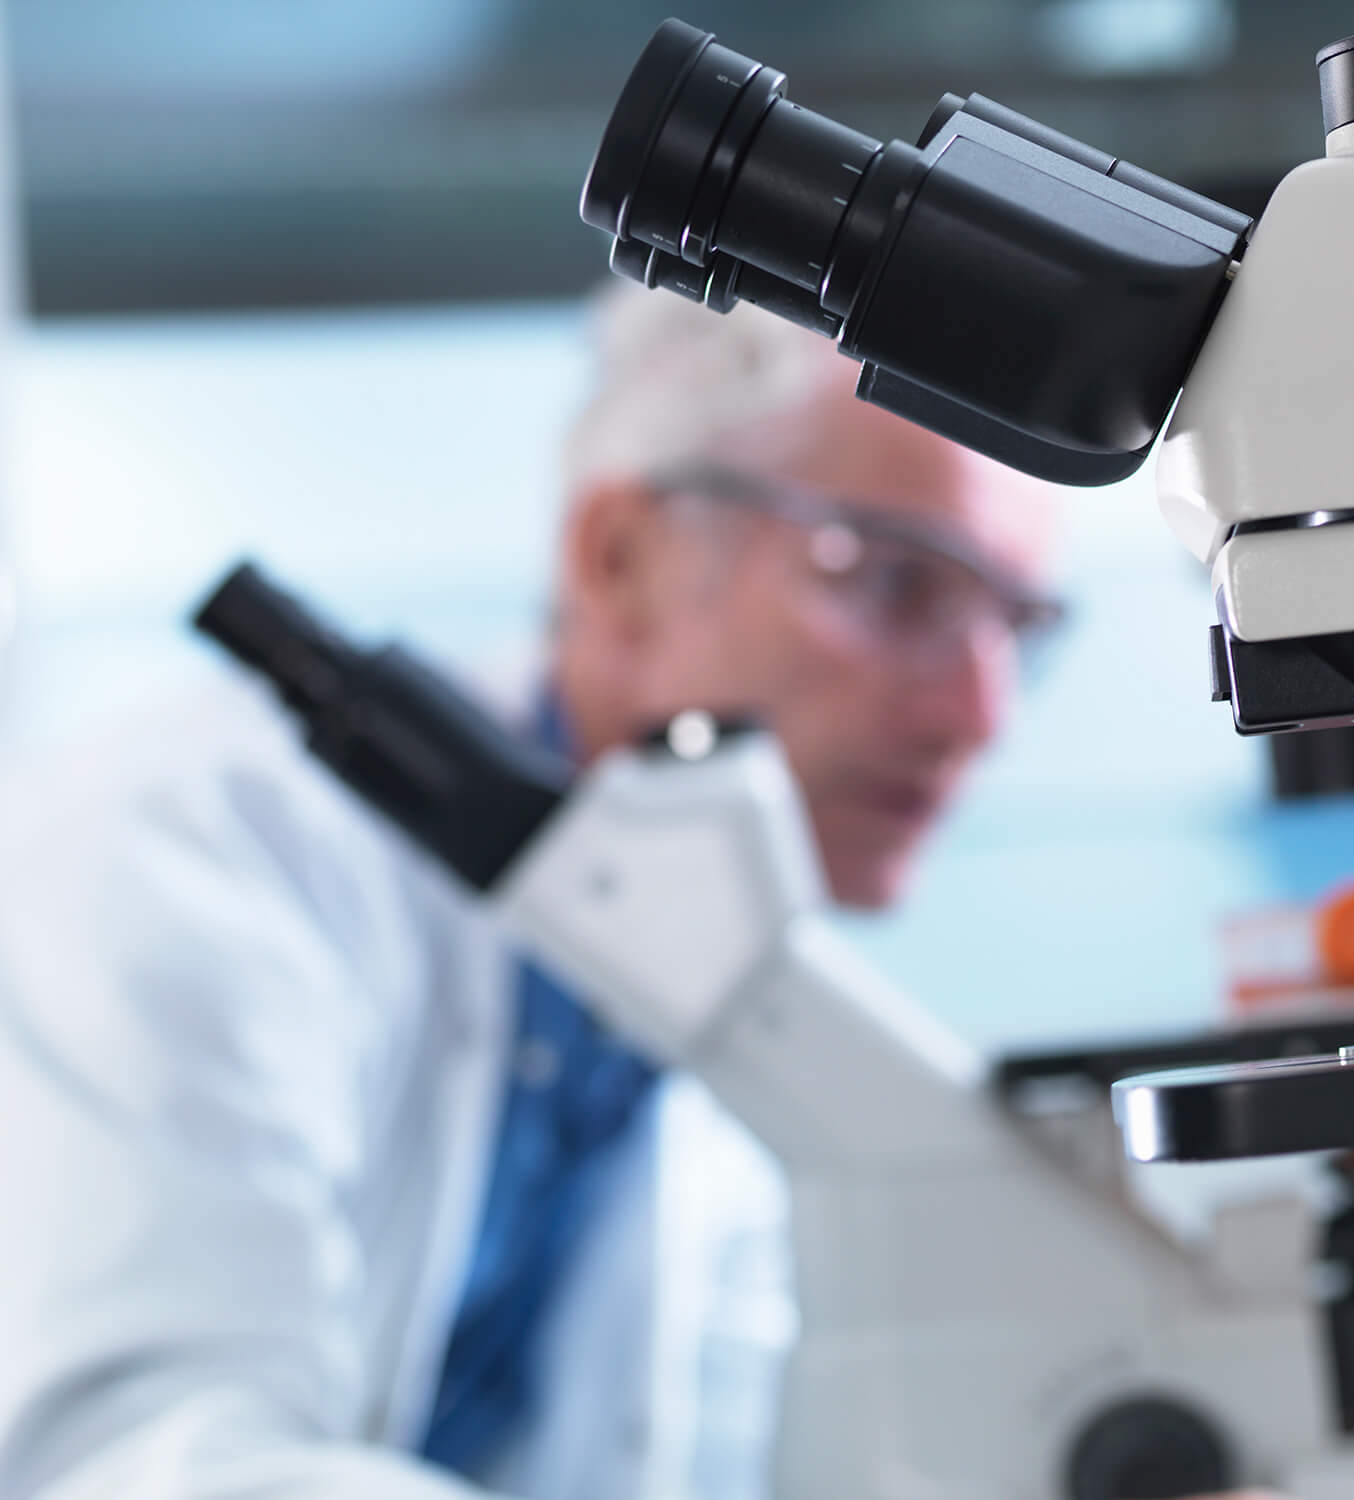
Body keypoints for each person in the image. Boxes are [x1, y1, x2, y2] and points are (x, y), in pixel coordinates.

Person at [0, 283, 1065, 1499]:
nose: (979, 717)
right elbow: (129, 1463)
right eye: (897, 586)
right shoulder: (207, 851)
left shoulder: (733, 1018)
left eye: (1020, 629)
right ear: (621, 559)